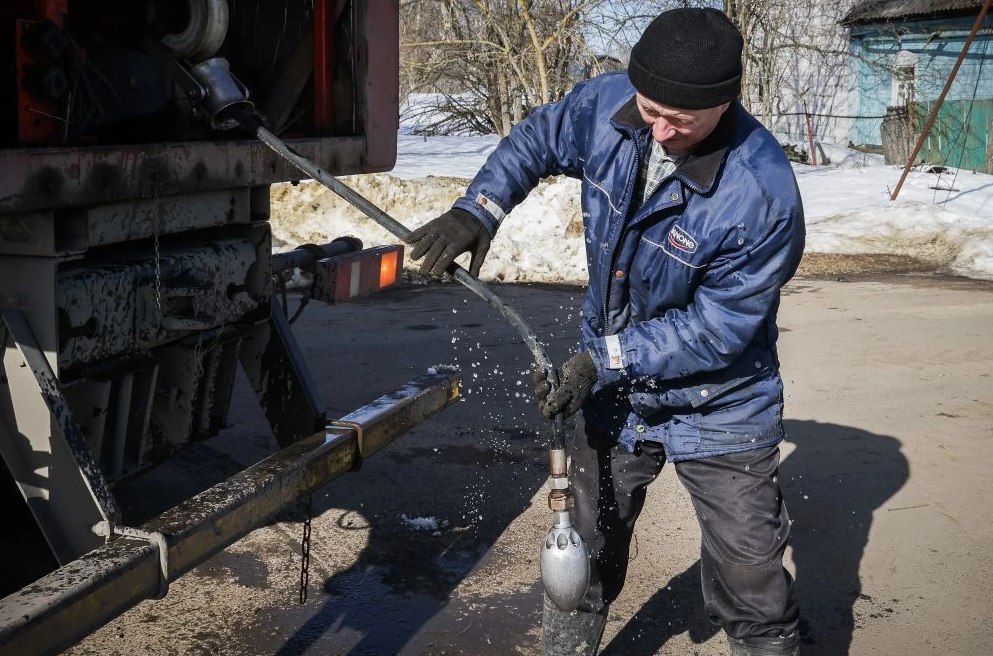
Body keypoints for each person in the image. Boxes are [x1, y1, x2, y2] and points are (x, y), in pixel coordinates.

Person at [409, 8, 805, 656]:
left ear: (725, 103)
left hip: (719, 399)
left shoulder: (759, 193)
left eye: (681, 120)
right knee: (583, 547)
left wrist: (602, 359)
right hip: (615, 385)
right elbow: (536, 138)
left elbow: (718, 327)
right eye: (650, 110)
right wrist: (478, 209)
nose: (660, 129)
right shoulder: (608, 105)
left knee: (748, 572)